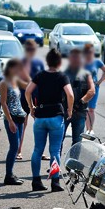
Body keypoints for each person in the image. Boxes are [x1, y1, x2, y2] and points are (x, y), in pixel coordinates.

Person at [25, 49, 73, 192]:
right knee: (54, 151)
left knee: (37, 150)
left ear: (47, 61)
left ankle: (36, 181)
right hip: (55, 117)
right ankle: (55, 182)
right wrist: (69, 109)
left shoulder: (40, 76)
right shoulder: (62, 76)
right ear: (59, 62)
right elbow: (70, 95)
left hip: (40, 116)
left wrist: (31, 107)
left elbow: (28, 91)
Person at [0, 58, 30, 186]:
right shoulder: (4, 83)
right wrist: (10, 121)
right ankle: (8, 175)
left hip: (20, 117)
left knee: (16, 146)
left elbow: (29, 85)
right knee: (13, 147)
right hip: (11, 118)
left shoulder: (15, 80)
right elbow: (3, 103)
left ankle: (11, 174)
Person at [63, 48, 95, 148]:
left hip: (80, 112)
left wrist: (81, 101)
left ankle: (74, 162)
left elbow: (92, 91)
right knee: (59, 139)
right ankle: (56, 162)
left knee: (77, 143)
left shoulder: (86, 74)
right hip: (65, 111)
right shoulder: (64, 73)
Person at [83, 42, 105, 133]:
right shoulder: (82, 62)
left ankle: (91, 129)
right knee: (84, 109)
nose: (90, 54)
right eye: (87, 52)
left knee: (91, 109)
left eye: (91, 52)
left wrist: (99, 81)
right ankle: (86, 129)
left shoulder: (97, 62)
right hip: (84, 88)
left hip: (94, 88)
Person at [15, 56, 32, 161]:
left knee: (40, 128)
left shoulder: (32, 75)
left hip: (32, 102)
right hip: (21, 103)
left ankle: (40, 152)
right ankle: (18, 151)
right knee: (22, 127)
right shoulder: (17, 77)